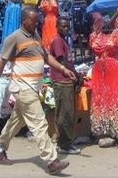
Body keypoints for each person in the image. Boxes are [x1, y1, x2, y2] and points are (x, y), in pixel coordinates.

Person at [0, 6, 76, 175]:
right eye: (33, 21)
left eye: (37, 21)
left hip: (33, 88)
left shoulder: (35, 36)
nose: (36, 24)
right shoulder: (13, 38)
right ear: (24, 20)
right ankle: (51, 161)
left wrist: (63, 69)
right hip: (23, 87)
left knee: (16, 121)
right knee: (39, 122)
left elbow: (47, 57)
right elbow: (1, 63)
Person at [89, 16, 118, 148]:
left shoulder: (116, 34)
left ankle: (114, 131)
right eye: (102, 24)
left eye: (107, 23)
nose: (105, 26)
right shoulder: (93, 36)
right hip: (98, 69)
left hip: (113, 68)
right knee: (99, 99)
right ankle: (100, 131)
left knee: (113, 98)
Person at [49, 17, 81, 154]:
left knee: (66, 112)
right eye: (63, 26)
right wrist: (75, 73)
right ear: (57, 26)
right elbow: (62, 60)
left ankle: (64, 142)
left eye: (67, 26)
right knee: (65, 113)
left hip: (65, 80)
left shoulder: (62, 40)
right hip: (62, 81)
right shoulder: (57, 41)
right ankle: (65, 144)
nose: (66, 29)